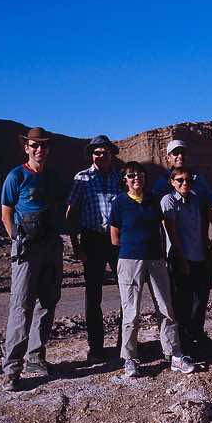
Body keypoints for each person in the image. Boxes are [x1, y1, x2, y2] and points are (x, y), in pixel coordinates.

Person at [109, 161, 195, 377]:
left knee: (166, 308)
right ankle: (129, 358)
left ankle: (174, 354)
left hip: (156, 260)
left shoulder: (154, 201)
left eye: (139, 174)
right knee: (131, 312)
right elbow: (114, 236)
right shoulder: (119, 202)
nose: (136, 178)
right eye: (131, 175)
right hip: (130, 261)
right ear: (125, 180)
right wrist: (131, 251)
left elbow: (164, 228)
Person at [0, 127, 63, 392]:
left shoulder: (51, 176)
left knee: (47, 302)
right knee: (21, 305)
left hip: (51, 246)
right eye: (35, 145)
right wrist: (17, 239)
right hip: (26, 248)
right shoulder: (16, 176)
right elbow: (6, 213)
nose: (40, 149)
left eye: (44, 146)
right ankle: (11, 369)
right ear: (26, 147)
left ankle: (36, 358)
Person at [66, 135, 121, 363]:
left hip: (118, 240)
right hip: (92, 239)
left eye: (105, 152)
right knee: (93, 296)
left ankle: (124, 342)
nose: (101, 156)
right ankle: (95, 346)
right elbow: (70, 213)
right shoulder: (82, 178)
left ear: (111, 154)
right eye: (96, 153)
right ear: (92, 155)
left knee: (126, 292)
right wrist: (75, 245)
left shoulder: (121, 177)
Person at [161, 167, 211, 350]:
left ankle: (197, 334)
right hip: (180, 257)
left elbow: (203, 226)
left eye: (188, 180)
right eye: (180, 180)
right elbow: (171, 232)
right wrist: (181, 259)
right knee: (182, 302)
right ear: (172, 182)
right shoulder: (169, 200)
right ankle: (183, 343)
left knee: (200, 299)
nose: (184, 183)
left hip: (198, 255)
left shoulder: (196, 199)